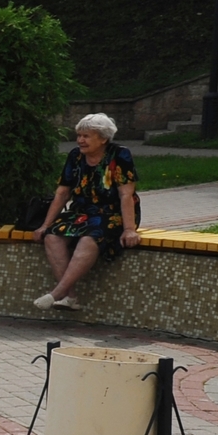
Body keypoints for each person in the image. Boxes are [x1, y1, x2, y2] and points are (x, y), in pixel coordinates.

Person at [31, 113, 140, 310]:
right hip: (82, 212)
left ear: (103, 138)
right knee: (52, 236)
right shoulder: (75, 155)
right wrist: (45, 225)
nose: (80, 140)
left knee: (89, 238)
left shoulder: (120, 155)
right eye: (79, 135)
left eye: (86, 136)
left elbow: (126, 195)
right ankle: (70, 297)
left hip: (112, 213)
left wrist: (129, 229)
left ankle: (57, 293)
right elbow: (62, 192)